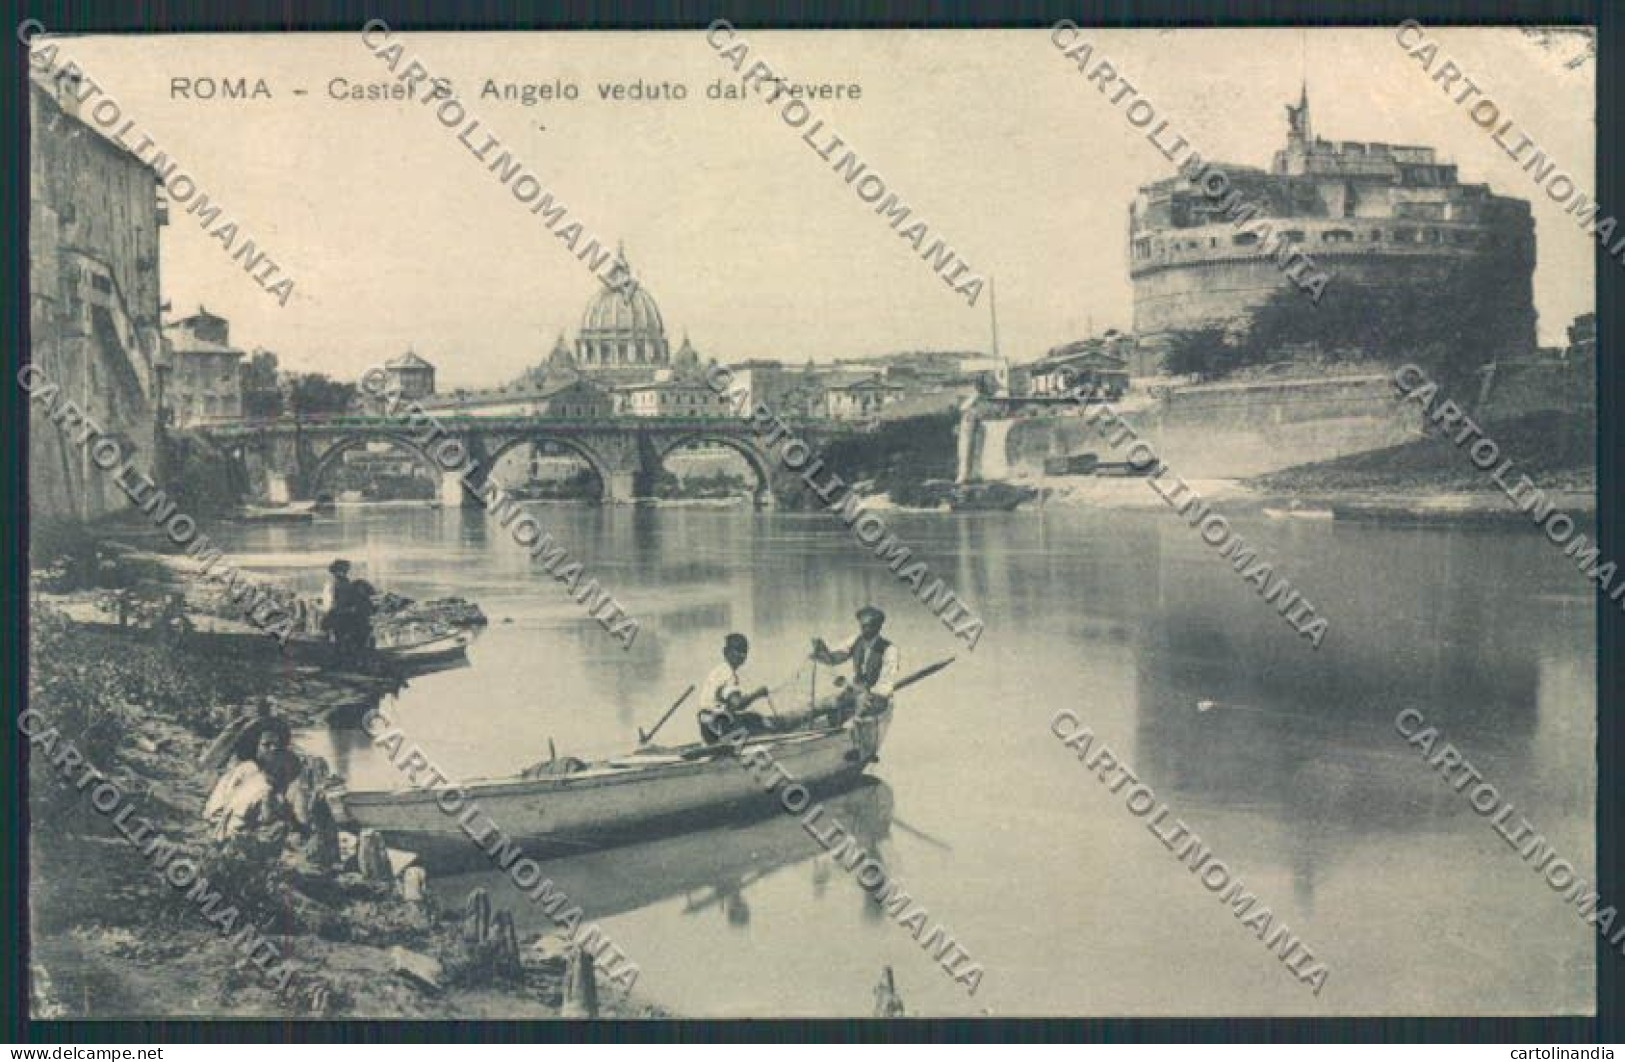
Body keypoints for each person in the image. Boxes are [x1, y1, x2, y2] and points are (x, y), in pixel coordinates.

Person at [810, 606, 900, 726]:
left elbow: (885, 685)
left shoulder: (890, 650)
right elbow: (835, 658)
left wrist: (863, 694)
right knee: (820, 707)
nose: (862, 629)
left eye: (866, 626)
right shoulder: (856, 640)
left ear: (877, 627)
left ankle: (851, 723)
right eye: (861, 625)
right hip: (853, 693)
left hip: (876, 699)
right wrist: (822, 653)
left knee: (852, 719)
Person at [697, 633, 772, 743]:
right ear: (726, 652)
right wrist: (758, 694)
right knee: (760, 723)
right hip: (716, 728)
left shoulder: (719, 670)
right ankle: (731, 743)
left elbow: (731, 702)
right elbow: (738, 704)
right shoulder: (727, 674)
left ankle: (727, 741)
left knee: (753, 717)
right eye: (738, 651)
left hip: (707, 727)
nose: (742, 655)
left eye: (744, 652)